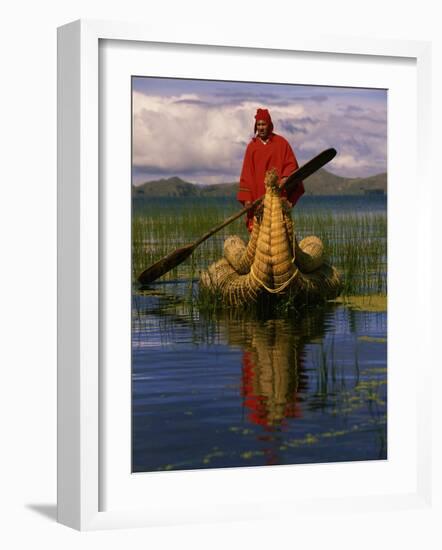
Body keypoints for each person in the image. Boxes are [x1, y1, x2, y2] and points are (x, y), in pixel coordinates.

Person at [237, 108, 304, 231]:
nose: (261, 128)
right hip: (258, 200)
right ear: (255, 127)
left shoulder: (281, 143)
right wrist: (247, 200)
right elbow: (246, 174)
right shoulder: (252, 147)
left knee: (280, 235)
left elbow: (291, 164)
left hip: (277, 198)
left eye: (263, 124)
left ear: (269, 125)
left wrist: (285, 177)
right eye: (258, 125)